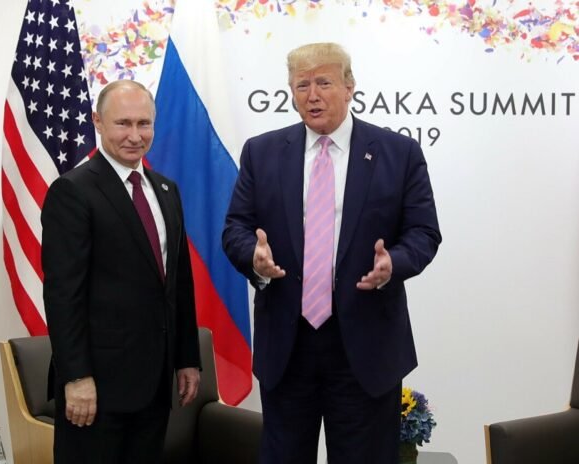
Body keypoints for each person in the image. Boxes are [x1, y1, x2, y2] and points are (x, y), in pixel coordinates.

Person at [222, 42, 442, 463]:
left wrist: (393, 263)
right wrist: (254, 257)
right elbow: (236, 228)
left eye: (323, 83)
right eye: (301, 85)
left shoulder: (398, 153)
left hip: (366, 345)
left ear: (349, 87)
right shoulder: (261, 152)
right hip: (287, 345)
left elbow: (423, 232)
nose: (312, 95)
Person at [42, 79, 201, 464]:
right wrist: (76, 377)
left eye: (144, 123)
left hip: (155, 386)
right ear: (98, 122)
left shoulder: (166, 190)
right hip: (96, 389)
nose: (135, 135)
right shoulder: (73, 191)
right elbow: (63, 295)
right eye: (123, 123)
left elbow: (178, 283)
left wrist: (186, 358)